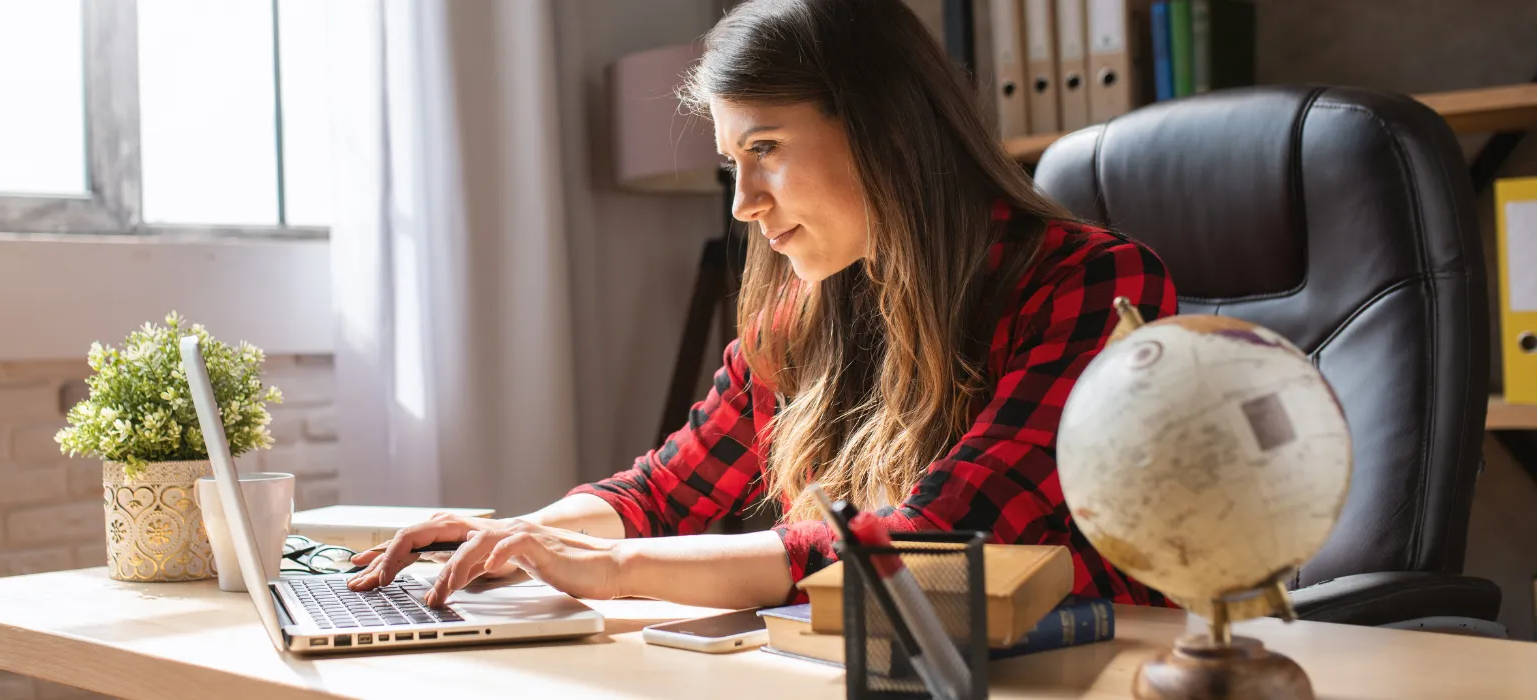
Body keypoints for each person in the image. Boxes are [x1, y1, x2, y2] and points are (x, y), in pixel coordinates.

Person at [349, 0, 1177, 611]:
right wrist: (513, 538)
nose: (744, 201)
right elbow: (660, 495)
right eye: (730, 162)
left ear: (883, 128)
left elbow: (934, 546)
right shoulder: (806, 310)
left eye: (765, 149)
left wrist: (615, 570)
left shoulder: (1096, 286)